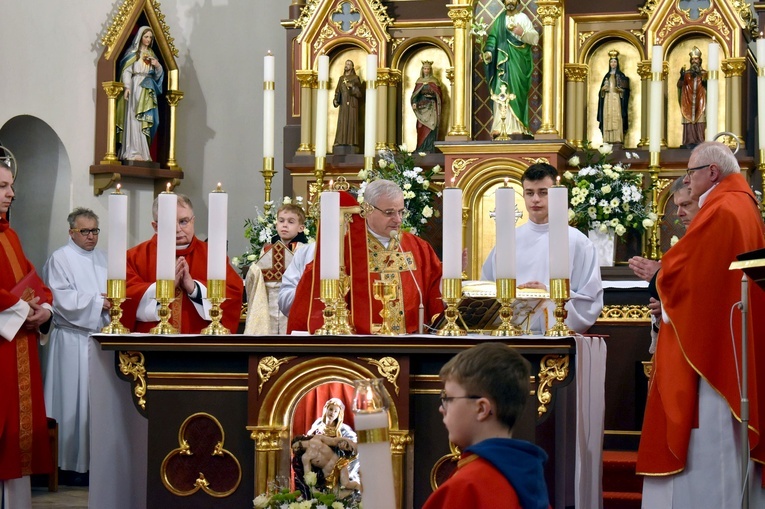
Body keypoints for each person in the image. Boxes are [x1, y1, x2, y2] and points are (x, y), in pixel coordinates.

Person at [637, 142, 765, 506]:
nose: (687, 181)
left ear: (712, 172)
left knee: (711, 443)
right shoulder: (741, 205)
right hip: (729, 334)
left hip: (715, 348)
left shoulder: (723, 208)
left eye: (691, 173)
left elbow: (687, 274)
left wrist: (662, 275)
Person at [281, 179, 443, 334]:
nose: (398, 220)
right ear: (367, 209)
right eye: (389, 213)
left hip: (410, 343)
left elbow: (434, 288)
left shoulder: (418, 247)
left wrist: (449, 273)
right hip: (363, 344)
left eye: (401, 212)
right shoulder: (346, 247)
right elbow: (312, 295)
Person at [423, 342, 550, 509]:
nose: (442, 408)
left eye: (449, 399)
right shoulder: (528, 473)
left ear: (481, 409)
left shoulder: (467, 486)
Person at [482, 163, 603, 333]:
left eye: (543, 192)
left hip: (556, 337)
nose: (535, 199)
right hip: (511, 336)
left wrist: (549, 295)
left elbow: (591, 300)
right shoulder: (508, 240)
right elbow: (487, 290)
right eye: (529, 193)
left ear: (555, 194)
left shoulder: (578, 242)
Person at [0, 160, 54, 507]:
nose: (12, 193)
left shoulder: (9, 234)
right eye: (4, 187)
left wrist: (44, 311)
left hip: (20, 347)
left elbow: (35, 282)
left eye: (11, 186)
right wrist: (23, 311)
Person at [42, 207, 109, 485]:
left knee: (94, 404)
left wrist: (109, 303)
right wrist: (98, 302)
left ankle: (92, 465)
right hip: (70, 341)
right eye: (85, 231)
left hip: (96, 340)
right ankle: (67, 465)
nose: (91, 236)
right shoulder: (60, 258)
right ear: (72, 232)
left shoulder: (103, 259)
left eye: (95, 230)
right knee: (69, 402)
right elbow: (60, 299)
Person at [121, 193, 243, 333]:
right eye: (169, 223)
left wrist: (194, 288)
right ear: (155, 226)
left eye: (183, 221)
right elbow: (124, 299)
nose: (178, 229)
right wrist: (164, 288)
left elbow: (234, 293)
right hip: (151, 346)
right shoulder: (134, 257)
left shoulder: (212, 255)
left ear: (193, 221)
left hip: (200, 346)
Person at [628, 178, 700, 354]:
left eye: (686, 204)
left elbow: (706, 292)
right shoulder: (689, 243)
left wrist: (659, 275)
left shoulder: (706, 240)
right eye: (677, 206)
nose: (678, 213)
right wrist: (665, 307)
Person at [244, 202, 308, 335]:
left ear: (301, 228)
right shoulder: (266, 250)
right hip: (268, 302)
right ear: (276, 224)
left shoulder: (303, 250)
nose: (285, 225)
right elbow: (256, 276)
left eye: (291, 222)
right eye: (281, 221)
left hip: (291, 302)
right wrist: (255, 270)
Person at [483, 0, 539, 137]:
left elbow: (535, 38)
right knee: (500, 91)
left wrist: (522, 33)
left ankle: (518, 126)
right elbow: (492, 38)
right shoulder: (500, 20)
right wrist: (489, 52)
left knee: (516, 92)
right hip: (501, 62)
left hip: (518, 61)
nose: (510, 1)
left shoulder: (523, 18)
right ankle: (499, 125)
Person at [116, 26, 164, 162]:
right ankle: (132, 150)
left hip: (147, 89)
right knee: (134, 117)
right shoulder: (133, 53)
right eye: (146, 36)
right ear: (140, 37)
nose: (148, 40)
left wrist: (157, 66)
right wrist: (126, 87)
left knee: (145, 118)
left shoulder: (152, 55)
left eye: (150, 37)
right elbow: (126, 70)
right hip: (135, 86)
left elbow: (158, 77)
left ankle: (143, 152)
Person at [597, 50, 630, 144]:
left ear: (617, 63)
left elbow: (626, 91)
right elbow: (600, 93)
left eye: (615, 62)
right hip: (607, 99)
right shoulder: (606, 76)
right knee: (608, 118)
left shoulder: (621, 75)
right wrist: (603, 90)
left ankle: (617, 138)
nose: (613, 63)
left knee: (616, 117)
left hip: (617, 99)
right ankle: (607, 139)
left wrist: (622, 91)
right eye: (611, 62)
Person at [677, 46, 707, 149]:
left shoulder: (704, 73)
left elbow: (709, 86)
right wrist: (681, 76)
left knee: (700, 119)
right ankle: (689, 140)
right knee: (688, 120)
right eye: (693, 59)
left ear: (700, 60)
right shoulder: (686, 74)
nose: (694, 61)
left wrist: (705, 81)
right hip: (688, 100)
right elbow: (680, 86)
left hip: (700, 100)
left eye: (696, 59)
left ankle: (700, 140)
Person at [410, 61, 443, 153]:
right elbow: (415, 94)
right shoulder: (419, 81)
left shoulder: (434, 81)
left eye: (428, 68)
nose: (426, 70)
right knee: (421, 127)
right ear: (422, 70)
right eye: (425, 68)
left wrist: (433, 94)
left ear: (430, 70)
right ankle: (420, 147)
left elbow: (439, 94)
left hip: (431, 107)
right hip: (422, 108)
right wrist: (414, 102)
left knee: (431, 127)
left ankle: (429, 148)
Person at [333, 59, 363, 149]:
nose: (346, 65)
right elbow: (338, 90)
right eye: (346, 64)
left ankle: (351, 141)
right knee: (342, 121)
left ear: (352, 67)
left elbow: (360, 93)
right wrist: (335, 99)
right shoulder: (341, 78)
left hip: (352, 103)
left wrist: (352, 87)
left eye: (349, 64)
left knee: (351, 121)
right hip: (343, 103)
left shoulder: (355, 78)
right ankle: (340, 141)